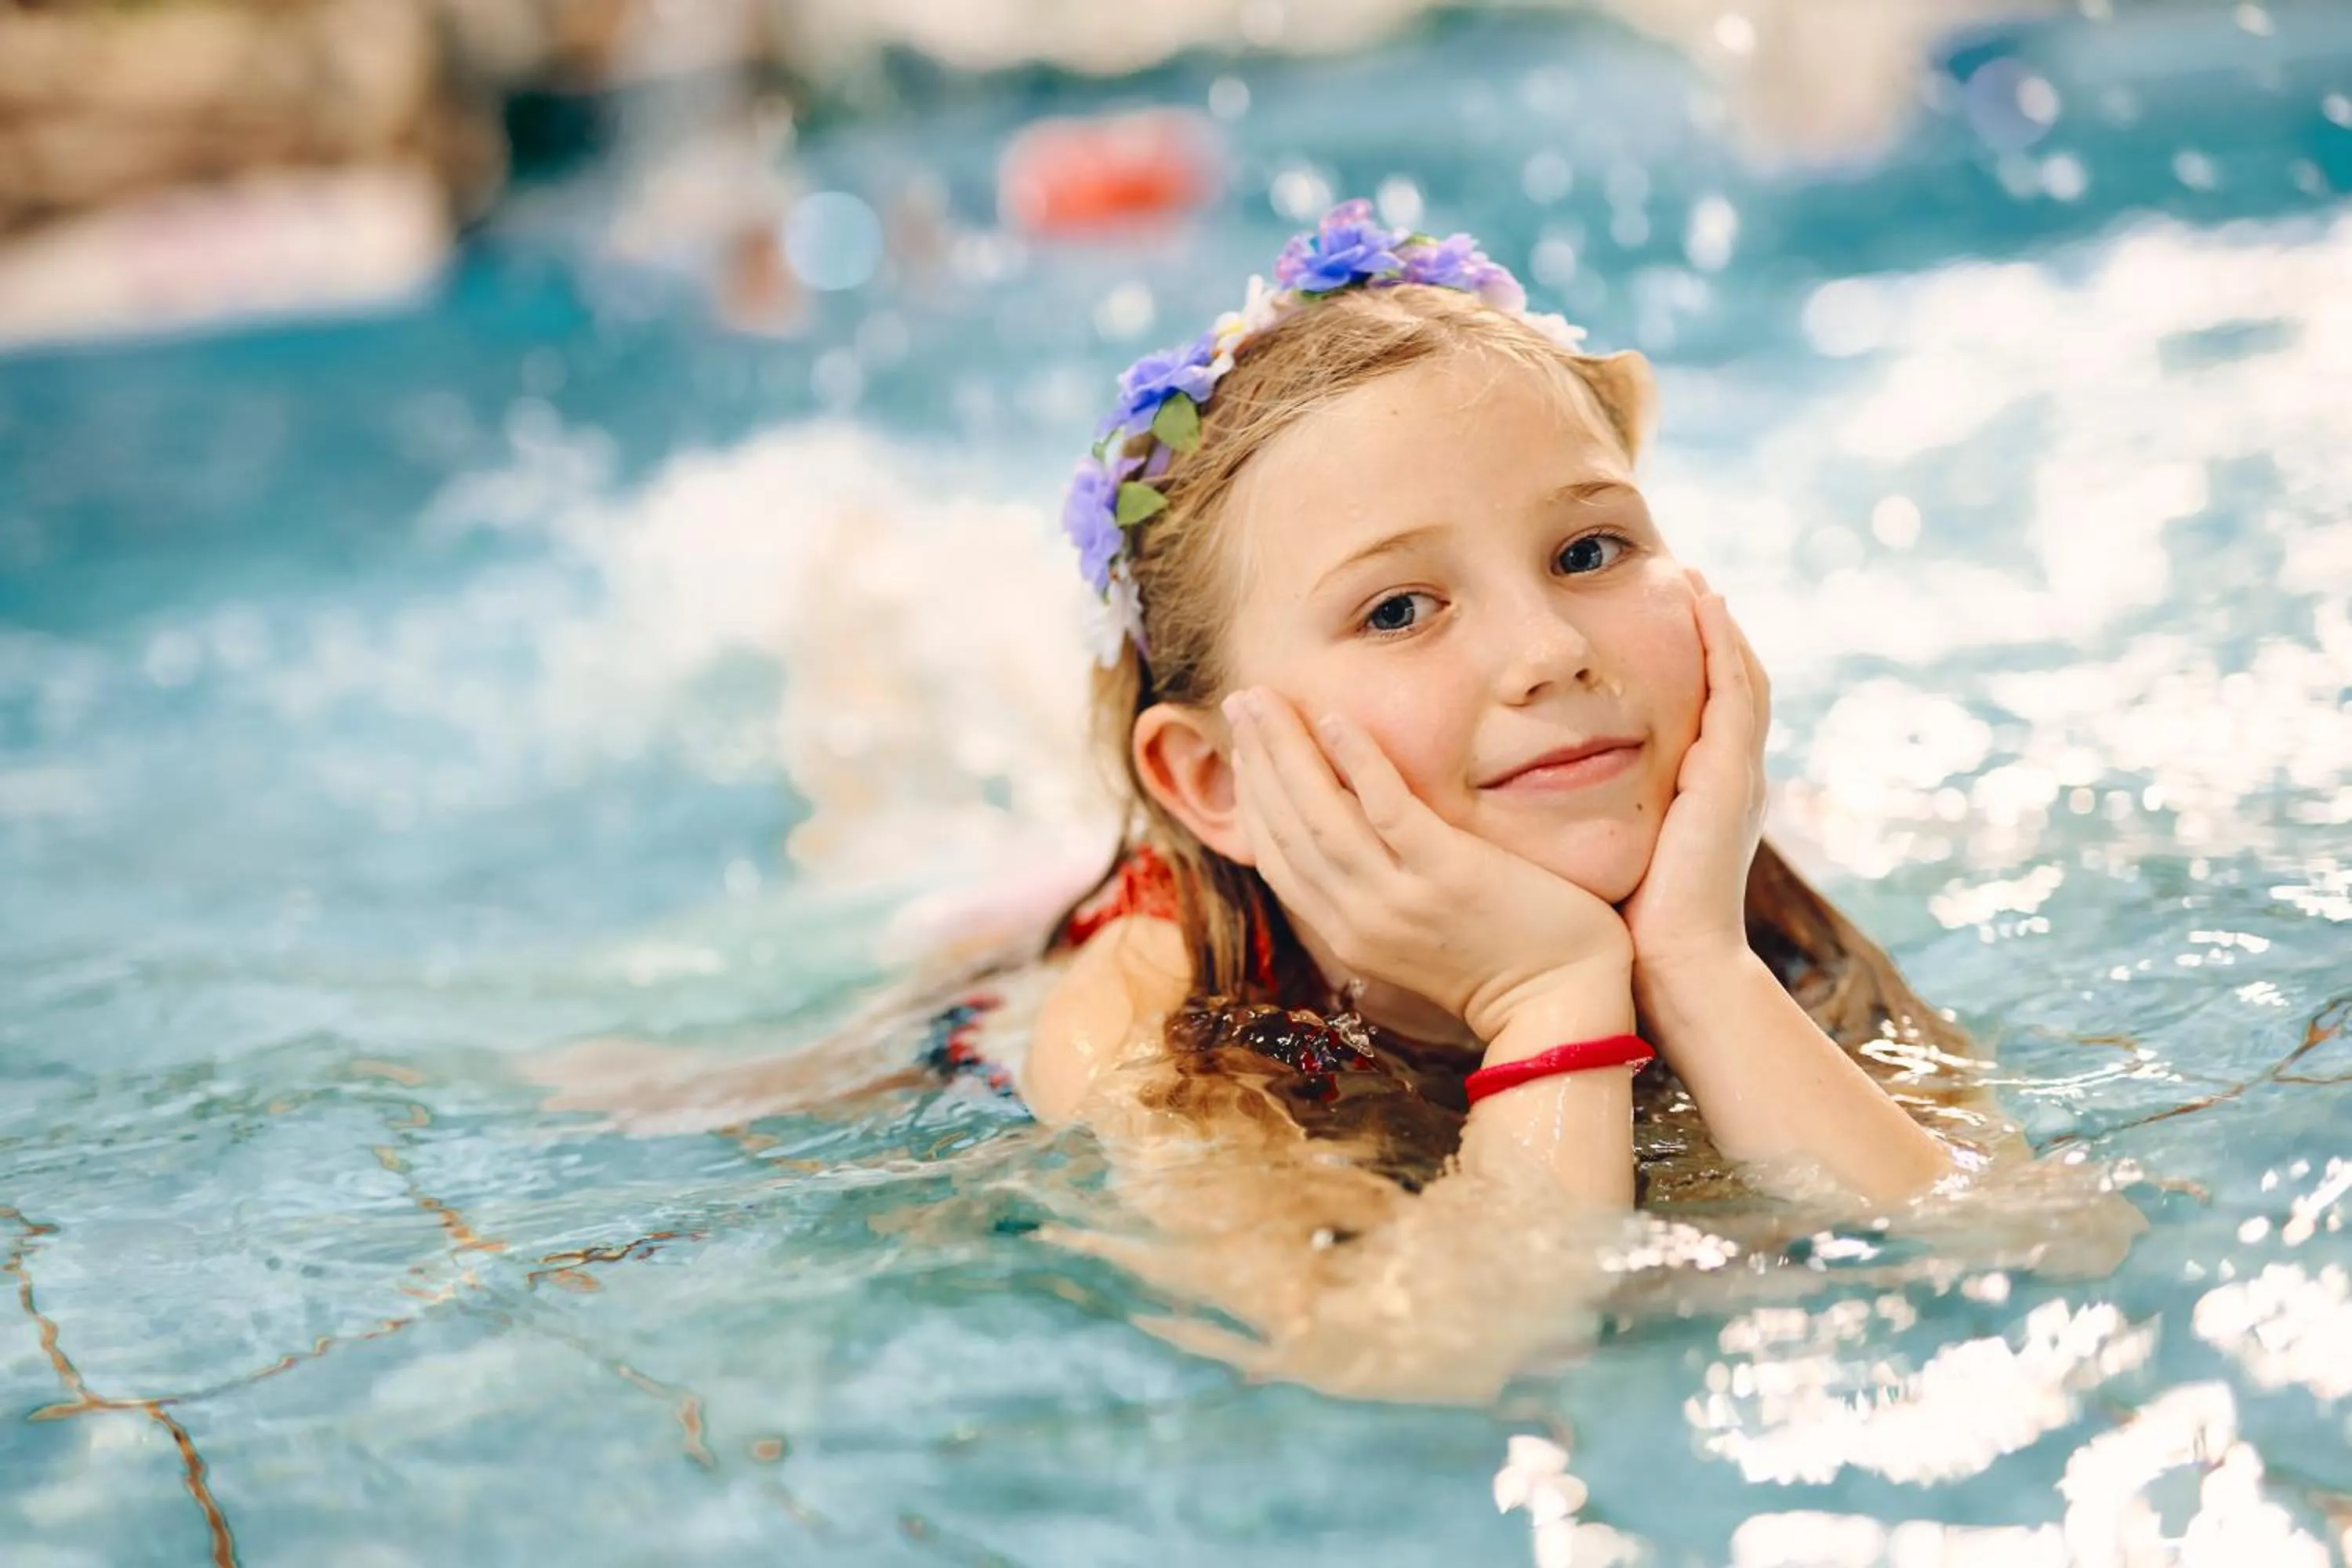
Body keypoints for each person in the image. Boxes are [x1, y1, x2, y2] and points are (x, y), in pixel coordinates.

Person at [533, 201, 2112, 1399]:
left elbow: (2039, 1244)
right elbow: (1413, 1355)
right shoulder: (1142, 1014)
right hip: (1001, 989)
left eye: (1588, 551)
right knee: (870, 853)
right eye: (1400, 610)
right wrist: (1548, 989)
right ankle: (851, 624)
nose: (1551, 655)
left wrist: (1692, 964)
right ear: (1212, 776)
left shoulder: (1725, 891)